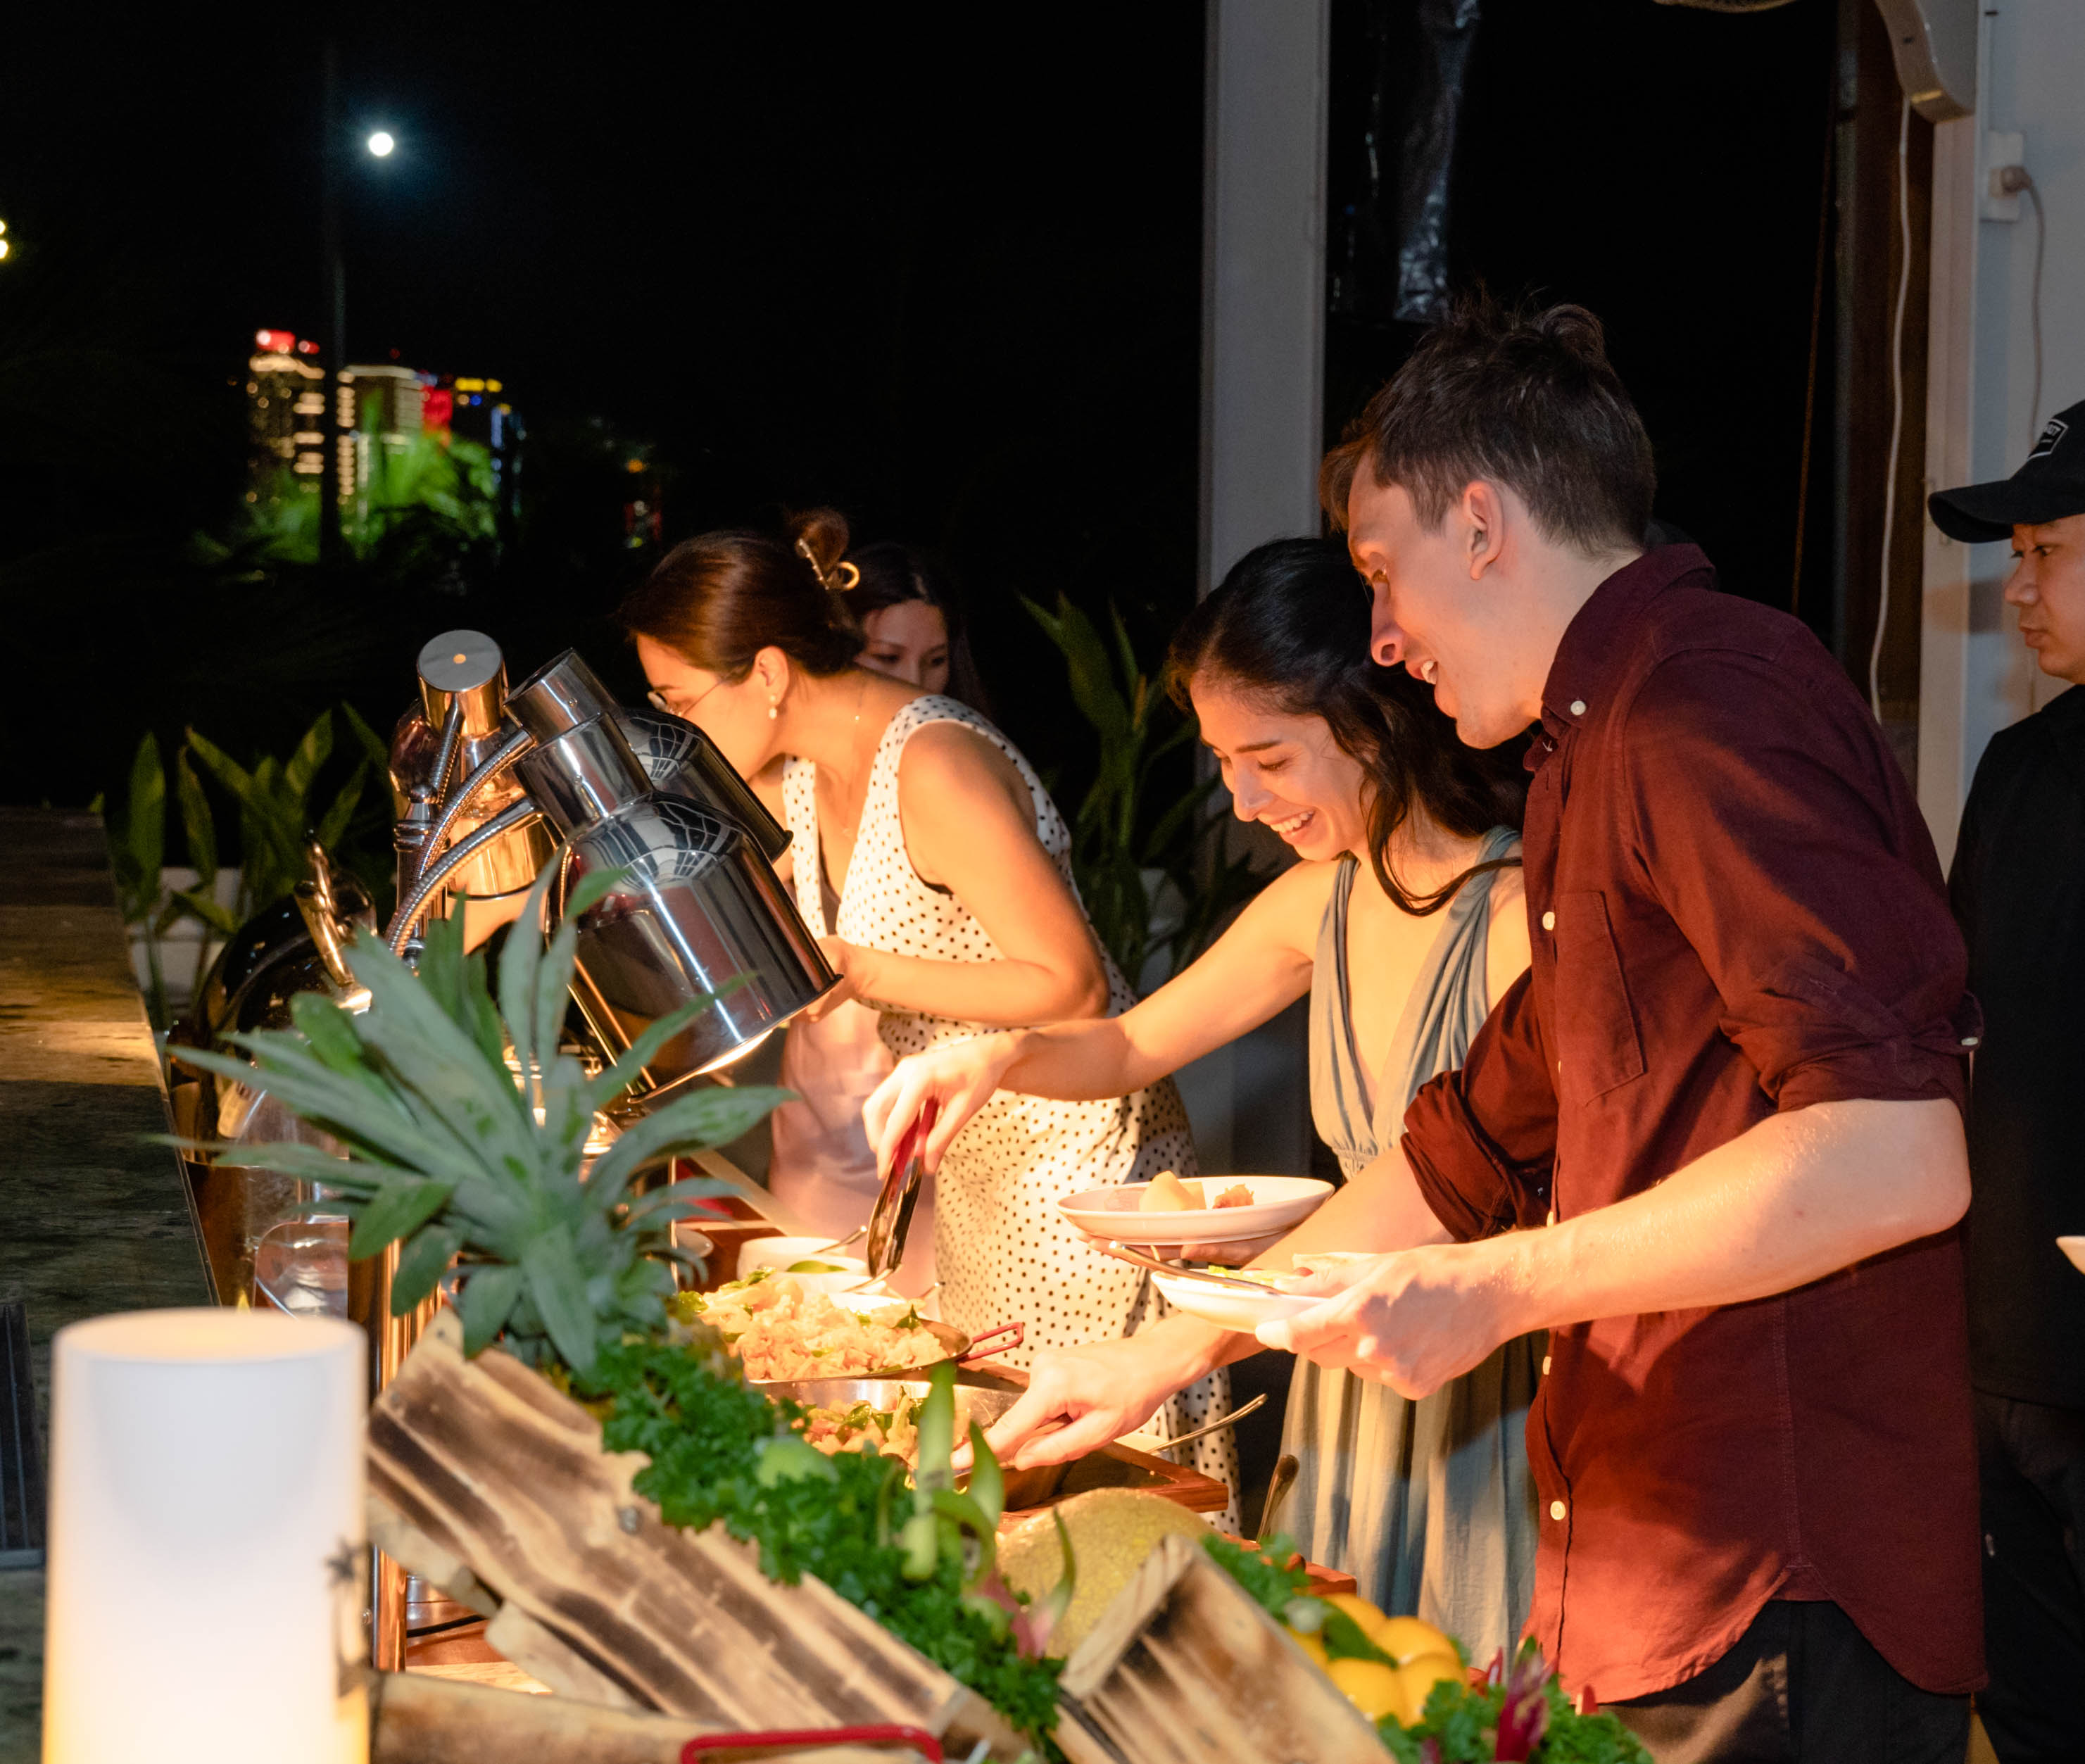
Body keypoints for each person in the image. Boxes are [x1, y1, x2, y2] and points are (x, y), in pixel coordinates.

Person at [969, 299, 1983, 1763]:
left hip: (1776, 1568)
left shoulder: (1702, 705)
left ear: (1483, 522)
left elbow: (1897, 1153)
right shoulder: (1592, 746)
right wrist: (1162, 1354)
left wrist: (1496, 1288)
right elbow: (1469, 1142)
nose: (1382, 639)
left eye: (1384, 573)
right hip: (1664, 1552)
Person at [867, 536, 1537, 1653]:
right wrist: (989, 1058)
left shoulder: (1514, 908)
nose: (1241, 797)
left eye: (1269, 758)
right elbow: (1130, 1042)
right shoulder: (1322, 897)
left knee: (1446, 1679)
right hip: (1336, 1361)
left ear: (1374, 722)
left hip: (1472, 1371)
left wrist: (1177, 1343)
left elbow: (1452, 1184)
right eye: (1224, 761)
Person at [616, 508, 1235, 1501]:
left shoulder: (933, 761)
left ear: (766, 673)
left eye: (679, 700)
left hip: (1076, 1168)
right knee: (992, 1474)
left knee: (1094, 1485)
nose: (678, 728)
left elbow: (1071, 983)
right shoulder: (810, 772)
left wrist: (860, 971)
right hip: (980, 1166)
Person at [1931, 401, 2085, 1763]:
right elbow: (1961, 1025)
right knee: (2031, 1708)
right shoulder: (2023, 765)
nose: (2015, 590)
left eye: (2044, 552)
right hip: (2003, 1342)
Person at [762, 541, 986, 1295]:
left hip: (938, 1134)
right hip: (819, 1135)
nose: (915, 685)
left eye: (935, 662)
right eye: (888, 658)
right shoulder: (789, 782)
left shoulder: (952, 776)